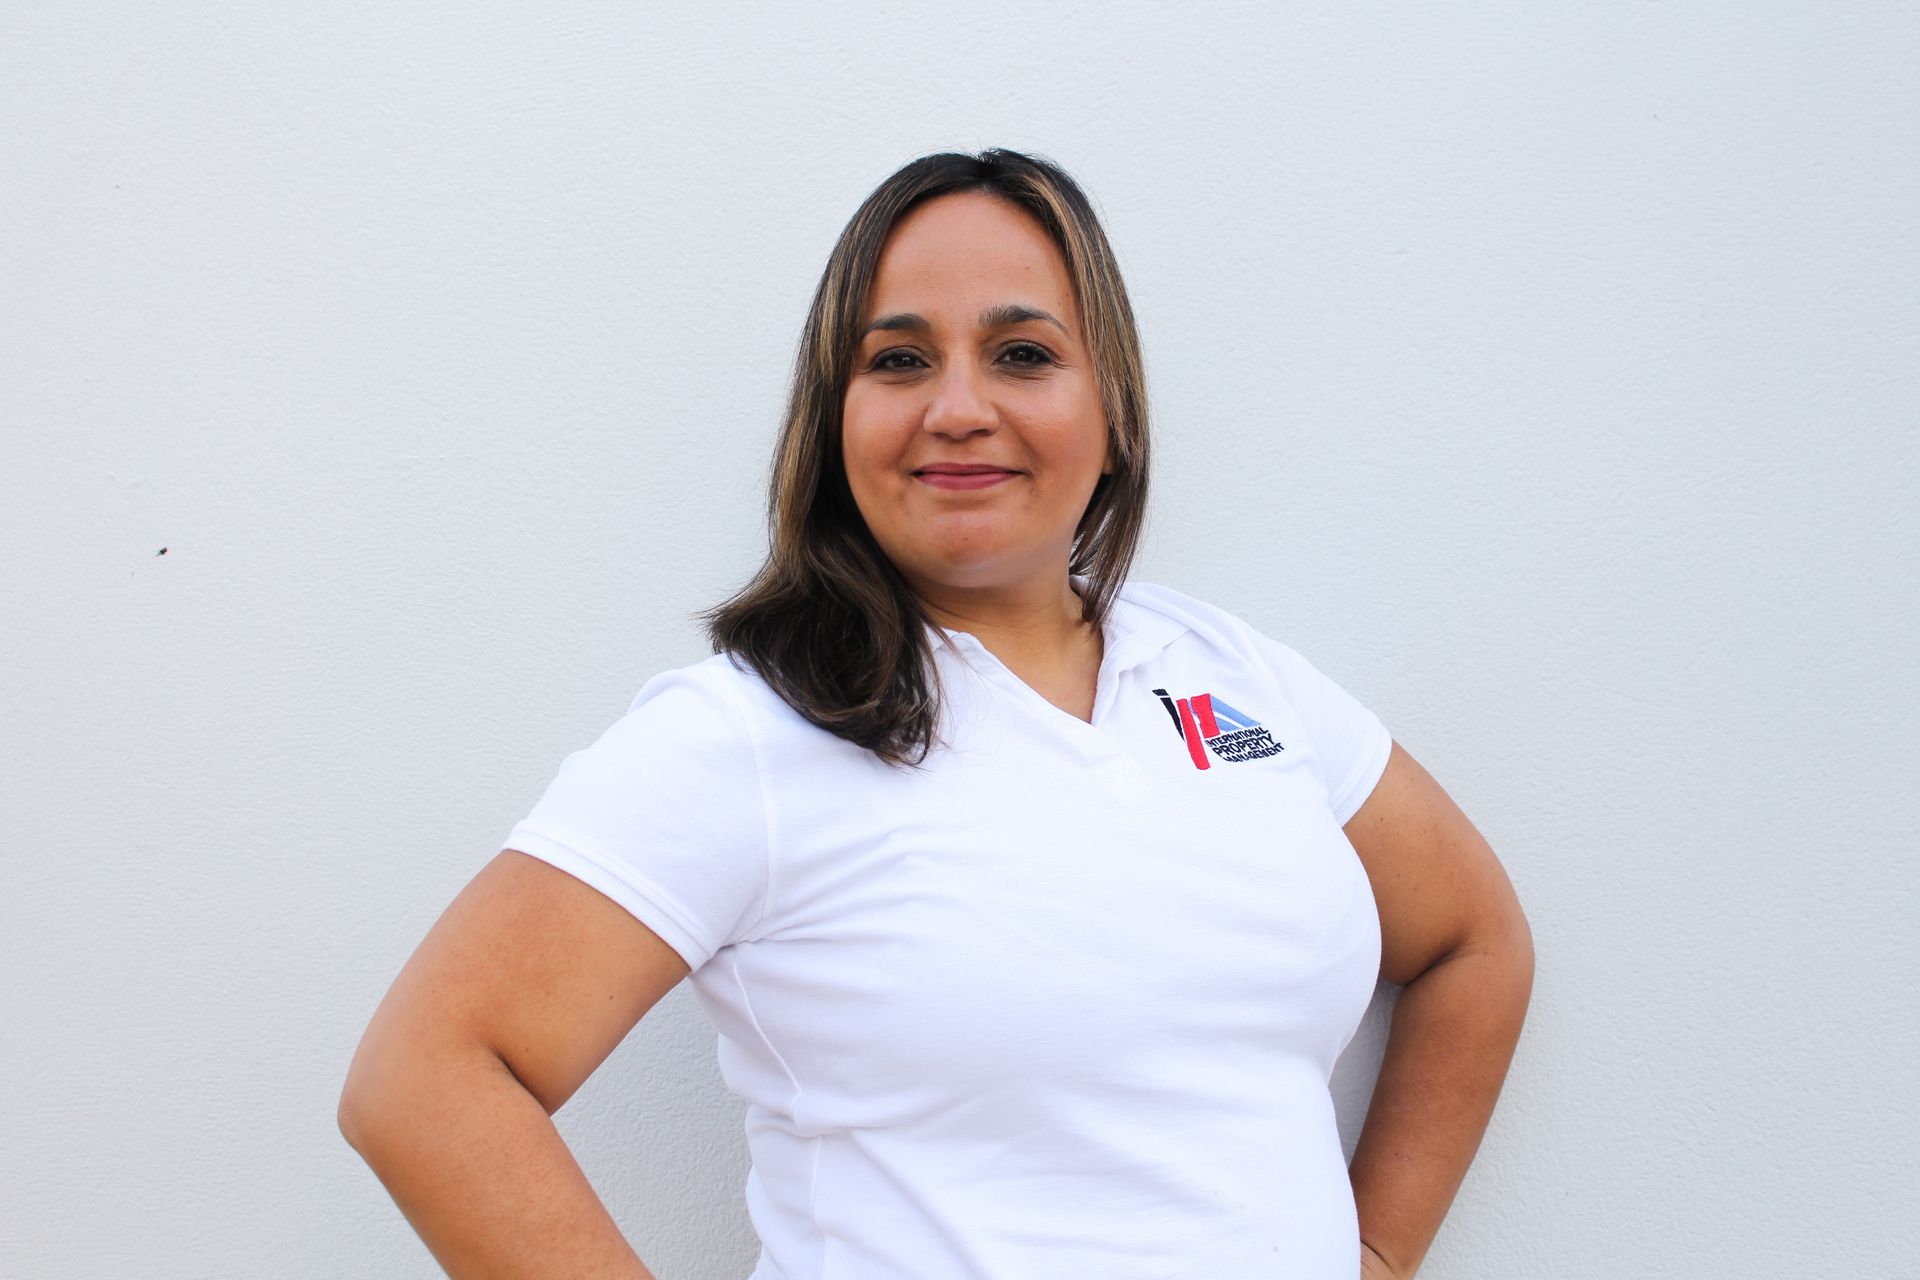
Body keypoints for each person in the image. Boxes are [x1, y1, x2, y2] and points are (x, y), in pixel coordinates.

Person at [338, 147, 1534, 1280]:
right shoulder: (747, 733)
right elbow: (424, 1079)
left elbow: (1472, 939)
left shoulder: (1239, 675)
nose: (959, 406)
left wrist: (1376, 1253)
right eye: (899, 360)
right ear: (836, 418)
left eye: (1022, 353)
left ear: (1111, 409)